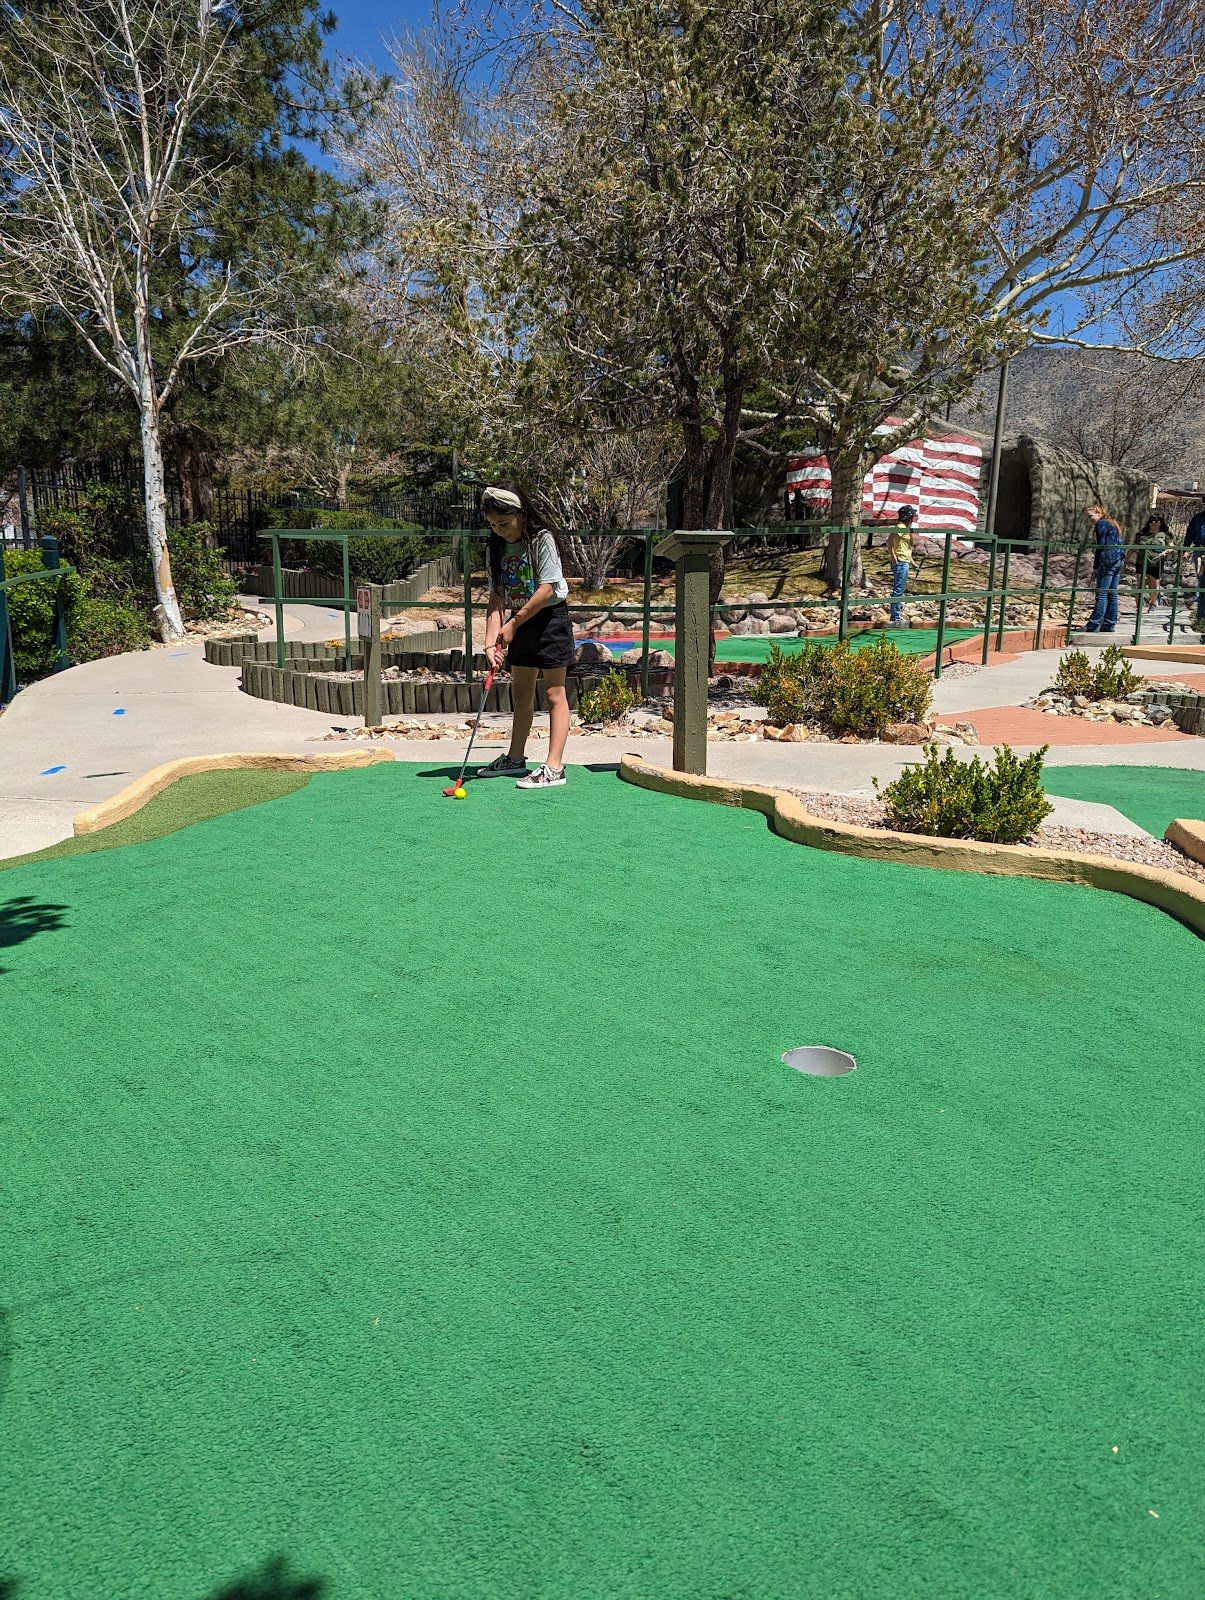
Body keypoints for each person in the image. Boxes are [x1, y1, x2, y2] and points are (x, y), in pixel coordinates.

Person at [475, 481, 574, 789]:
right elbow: (497, 597)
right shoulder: (496, 547)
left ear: (521, 514)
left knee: (554, 692)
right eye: (493, 525)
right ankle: (515, 758)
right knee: (521, 694)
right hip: (519, 623)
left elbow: (546, 590)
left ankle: (554, 767)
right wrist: (490, 642)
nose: (499, 530)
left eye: (504, 523)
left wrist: (513, 624)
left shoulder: (542, 539)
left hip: (549, 620)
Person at [1082, 503, 1125, 633]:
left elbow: (1100, 546)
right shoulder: (1113, 523)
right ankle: (1109, 623)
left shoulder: (1101, 524)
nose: (1090, 520)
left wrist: (1096, 566)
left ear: (1098, 513)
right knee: (1112, 593)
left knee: (1101, 593)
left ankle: (1094, 623)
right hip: (1118, 559)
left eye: (1091, 516)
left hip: (1107, 560)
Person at [886, 505, 917, 627]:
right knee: (898, 590)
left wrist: (912, 562)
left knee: (900, 589)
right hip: (900, 562)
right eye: (912, 516)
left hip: (905, 561)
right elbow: (889, 541)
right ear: (908, 517)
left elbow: (905, 548)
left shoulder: (904, 528)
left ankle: (896, 614)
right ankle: (895, 617)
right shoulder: (900, 527)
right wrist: (893, 557)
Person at [1135, 514, 1172, 605]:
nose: (1153, 522)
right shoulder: (1142, 534)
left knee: (1153, 585)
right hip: (1141, 561)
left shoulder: (1165, 535)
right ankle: (1138, 607)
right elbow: (1133, 547)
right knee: (1139, 584)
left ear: (1160, 522)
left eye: (1156, 521)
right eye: (1151, 520)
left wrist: (1165, 552)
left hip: (1156, 562)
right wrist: (1126, 561)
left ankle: (1152, 603)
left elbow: (1171, 547)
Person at [1185, 505, 1205, 627]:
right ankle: (1199, 607)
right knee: (1201, 578)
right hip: (1200, 550)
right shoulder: (1198, 518)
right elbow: (1190, 534)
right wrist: (1186, 549)